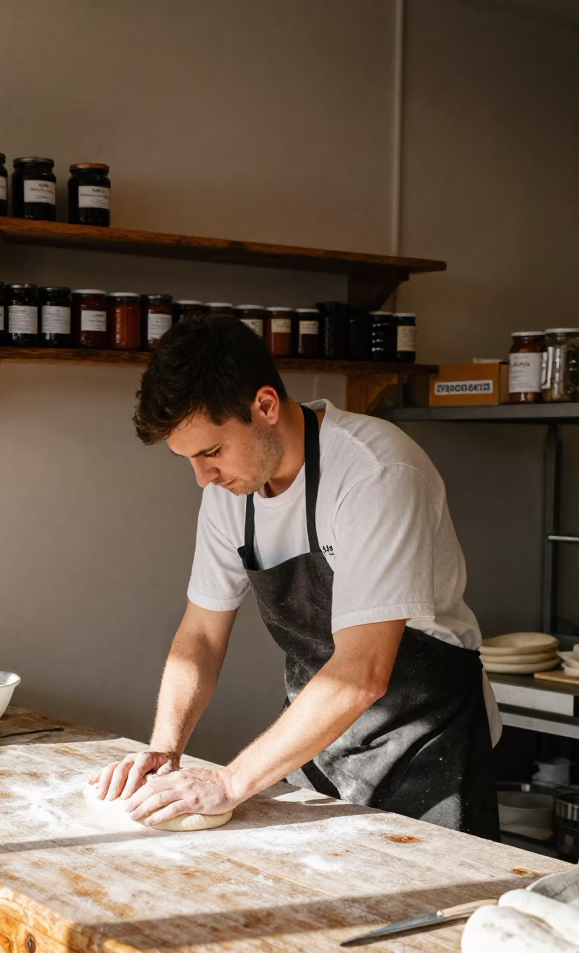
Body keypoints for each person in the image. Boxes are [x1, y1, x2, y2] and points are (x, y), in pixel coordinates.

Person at [94, 316, 500, 838]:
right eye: (189, 460)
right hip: (319, 739)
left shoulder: (375, 473)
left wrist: (230, 781)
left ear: (264, 406)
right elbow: (199, 636)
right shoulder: (229, 493)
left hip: (429, 746)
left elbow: (362, 672)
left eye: (212, 452)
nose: (203, 478)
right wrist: (164, 749)